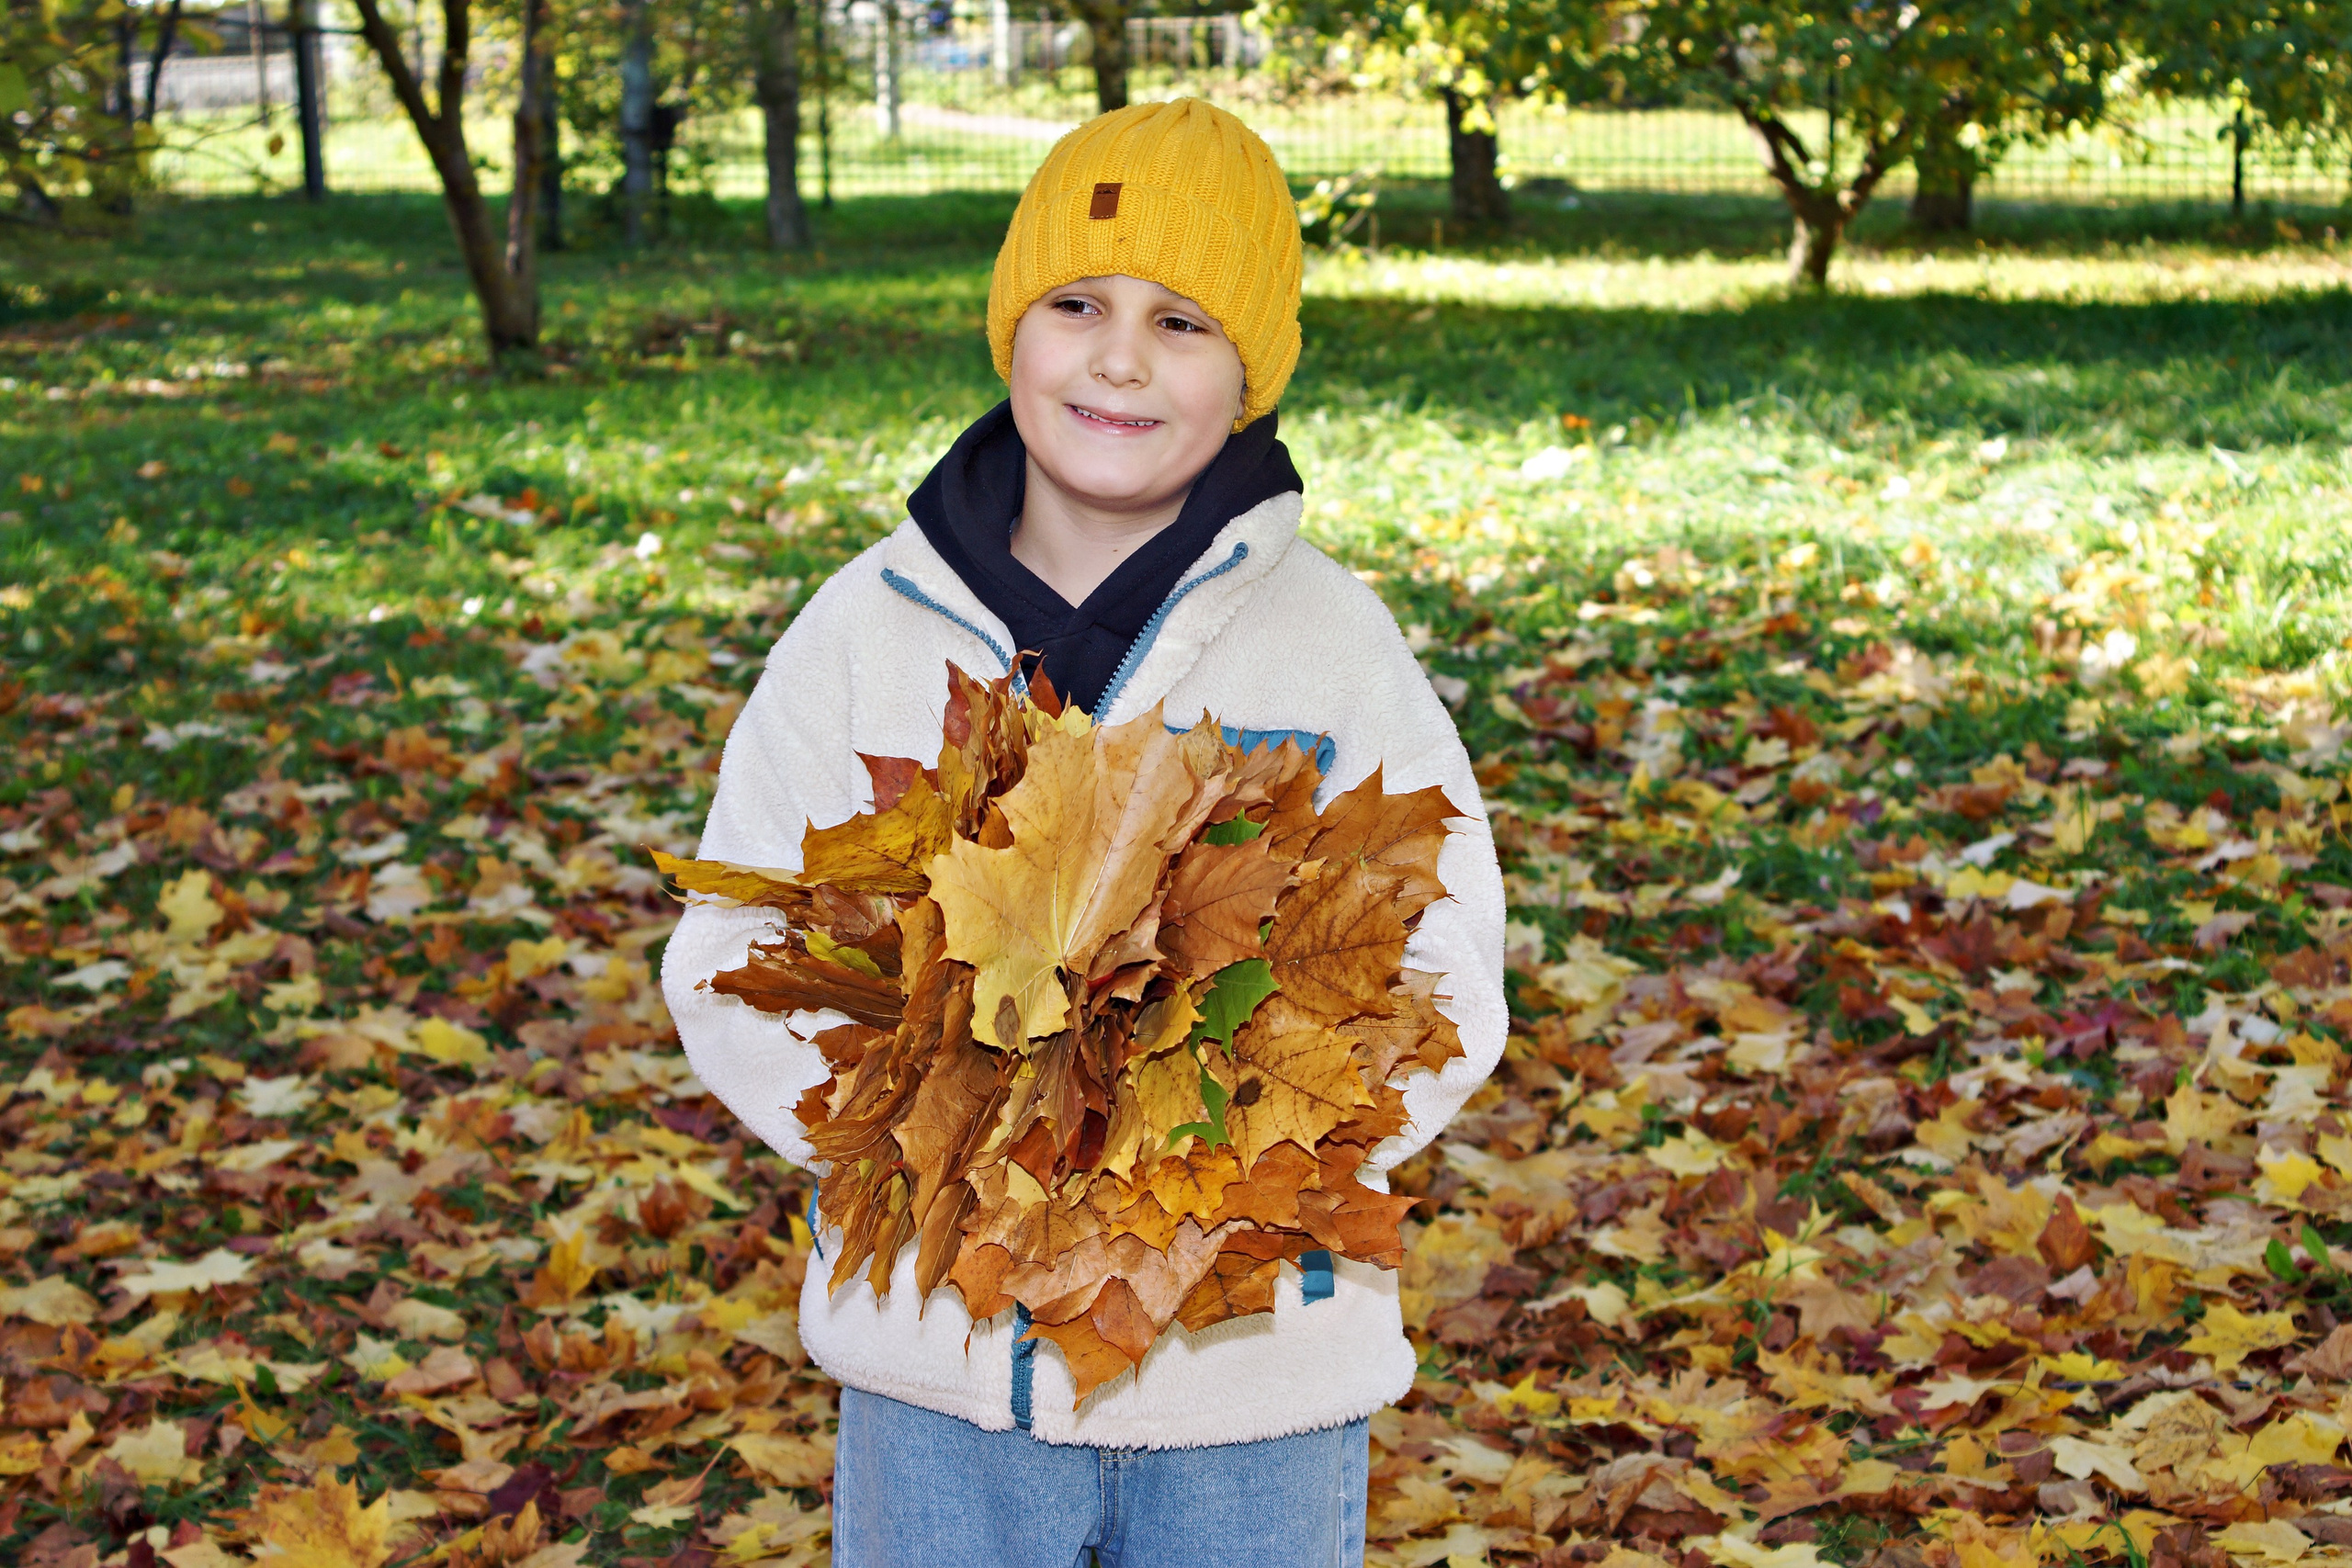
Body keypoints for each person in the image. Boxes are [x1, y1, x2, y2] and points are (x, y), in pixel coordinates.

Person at [662, 97, 1507, 1568]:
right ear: (1013, 327)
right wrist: (933, 1149)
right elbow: (736, 949)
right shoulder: (865, 633)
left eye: (1182, 322)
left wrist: (1205, 1178)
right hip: (938, 1361)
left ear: (1250, 374)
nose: (1121, 358)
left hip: (1250, 1371)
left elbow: (1444, 964)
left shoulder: (1332, 648)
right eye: (1078, 305)